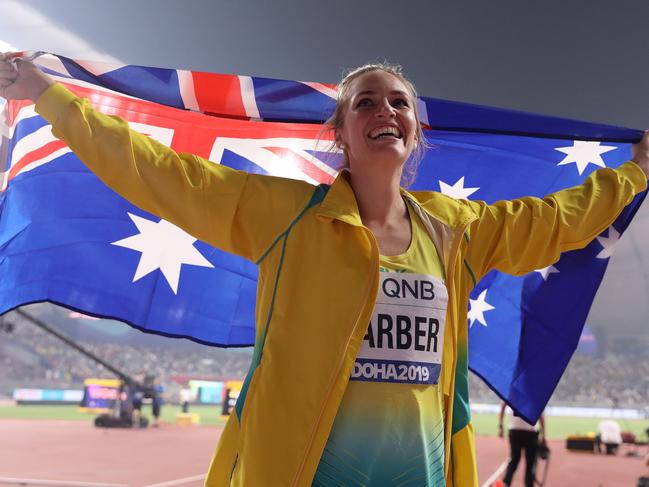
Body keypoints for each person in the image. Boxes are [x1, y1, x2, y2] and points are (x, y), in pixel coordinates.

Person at [1, 55, 648, 487]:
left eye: (398, 103)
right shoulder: (284, 214)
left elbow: (556, 218)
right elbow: (159, 172)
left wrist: (637, 171)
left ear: (415, 132)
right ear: (340, 129)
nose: (384, 111)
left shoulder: (454, 230)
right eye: (365, 103)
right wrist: (46, 95)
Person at [499, 403, 546, 487]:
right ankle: (528, 485)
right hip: (531, 431)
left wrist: (501, 426)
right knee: (530, 463)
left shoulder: (513, 390)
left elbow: (503, 406)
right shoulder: (536, 394)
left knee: (514, 459)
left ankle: (506, 483)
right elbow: (541, 414)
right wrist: (544, 436)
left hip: (515, 430)